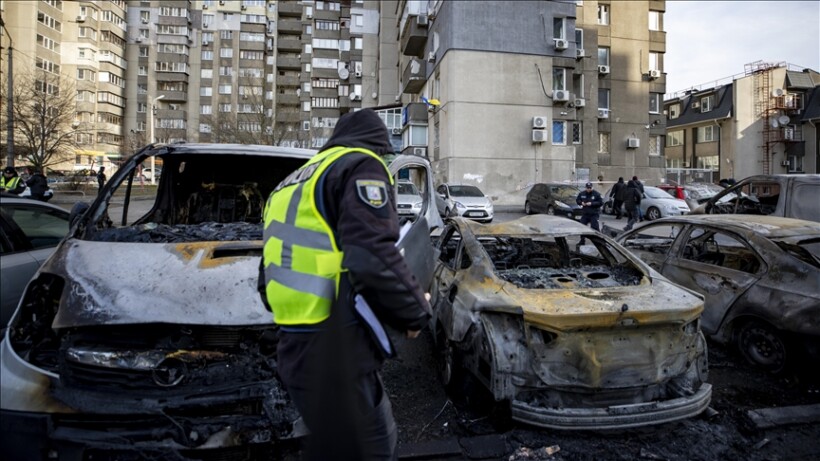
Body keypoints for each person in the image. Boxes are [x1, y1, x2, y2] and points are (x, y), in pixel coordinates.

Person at [258, 109, 431, 461]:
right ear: (379, 145)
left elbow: (267, 280)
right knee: (375, 449)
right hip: (337, 351)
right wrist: (414, 314)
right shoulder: (360, 165)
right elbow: (371, 255)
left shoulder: (290, 183)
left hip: (293, 349)